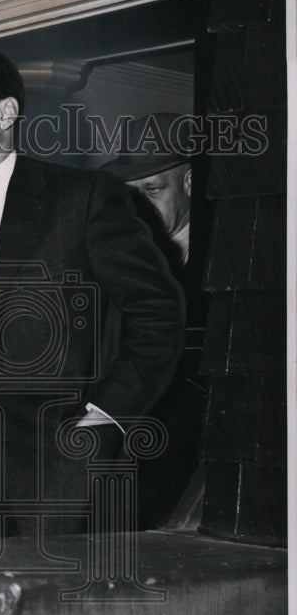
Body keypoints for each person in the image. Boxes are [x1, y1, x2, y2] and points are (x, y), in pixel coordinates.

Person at [0, 47, 186, 543]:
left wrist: (107, 415)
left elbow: (158, 310)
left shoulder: (83, 198)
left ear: (6, 113)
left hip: (70, 485)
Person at [103, 112, 207, 527]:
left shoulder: (231, 256)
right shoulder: (118, 258)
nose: (140, 206)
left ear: (190, 183)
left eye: (153, 189)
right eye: (131, 194)